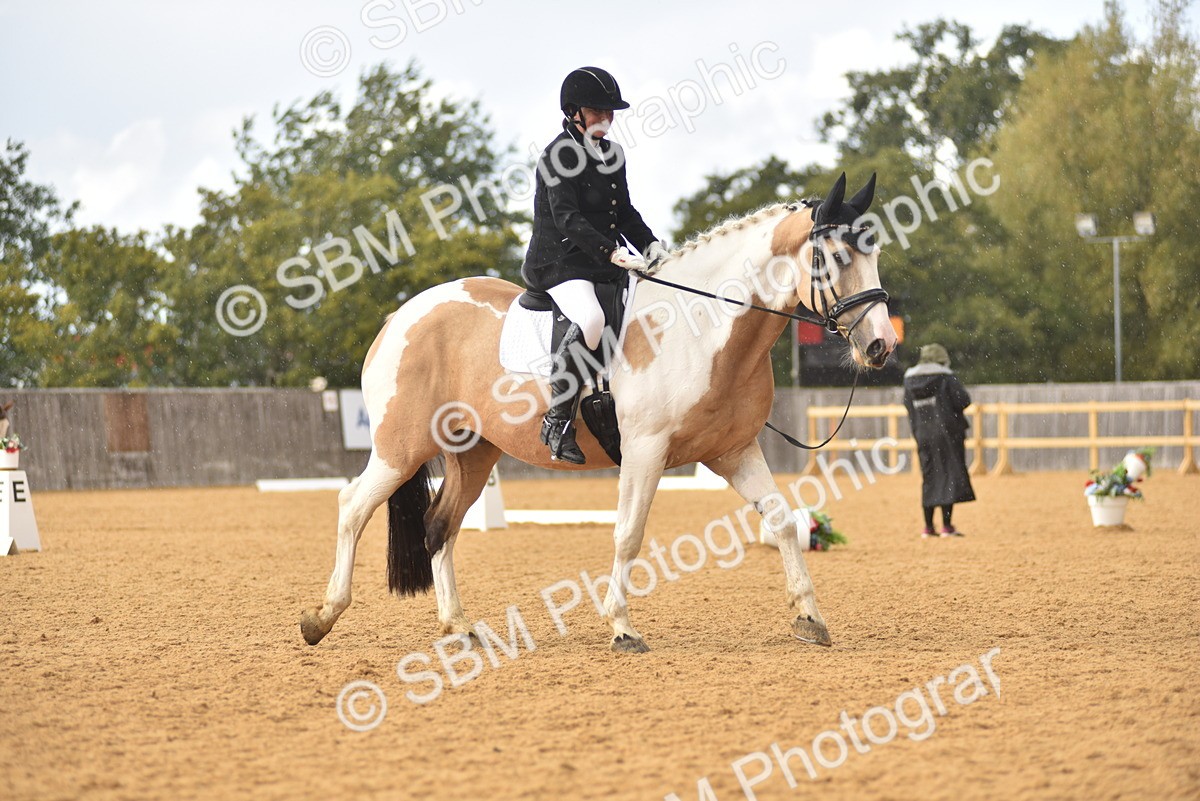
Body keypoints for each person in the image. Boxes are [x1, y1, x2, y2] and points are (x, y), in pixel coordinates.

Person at [521, 66, 670, 464]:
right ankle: (557, 418)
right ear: (574, 112)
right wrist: (610, 251)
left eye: (610, 111)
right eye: (598, 111)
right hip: (559, 263)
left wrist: (651, 246)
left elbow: (623, 212)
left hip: (601, 261)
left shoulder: (612, 154)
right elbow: (568, 218)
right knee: (590, 319)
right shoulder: (558, 156)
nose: (606, 118)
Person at [902, 344, 975, 537]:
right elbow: (963, 400)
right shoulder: (946, 377)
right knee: (948, 476)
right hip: (948, 434)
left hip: (923, 434)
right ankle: (946, 526)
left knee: (929, 477)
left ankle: (928, 527)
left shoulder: (909, 380)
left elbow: (908, 406)